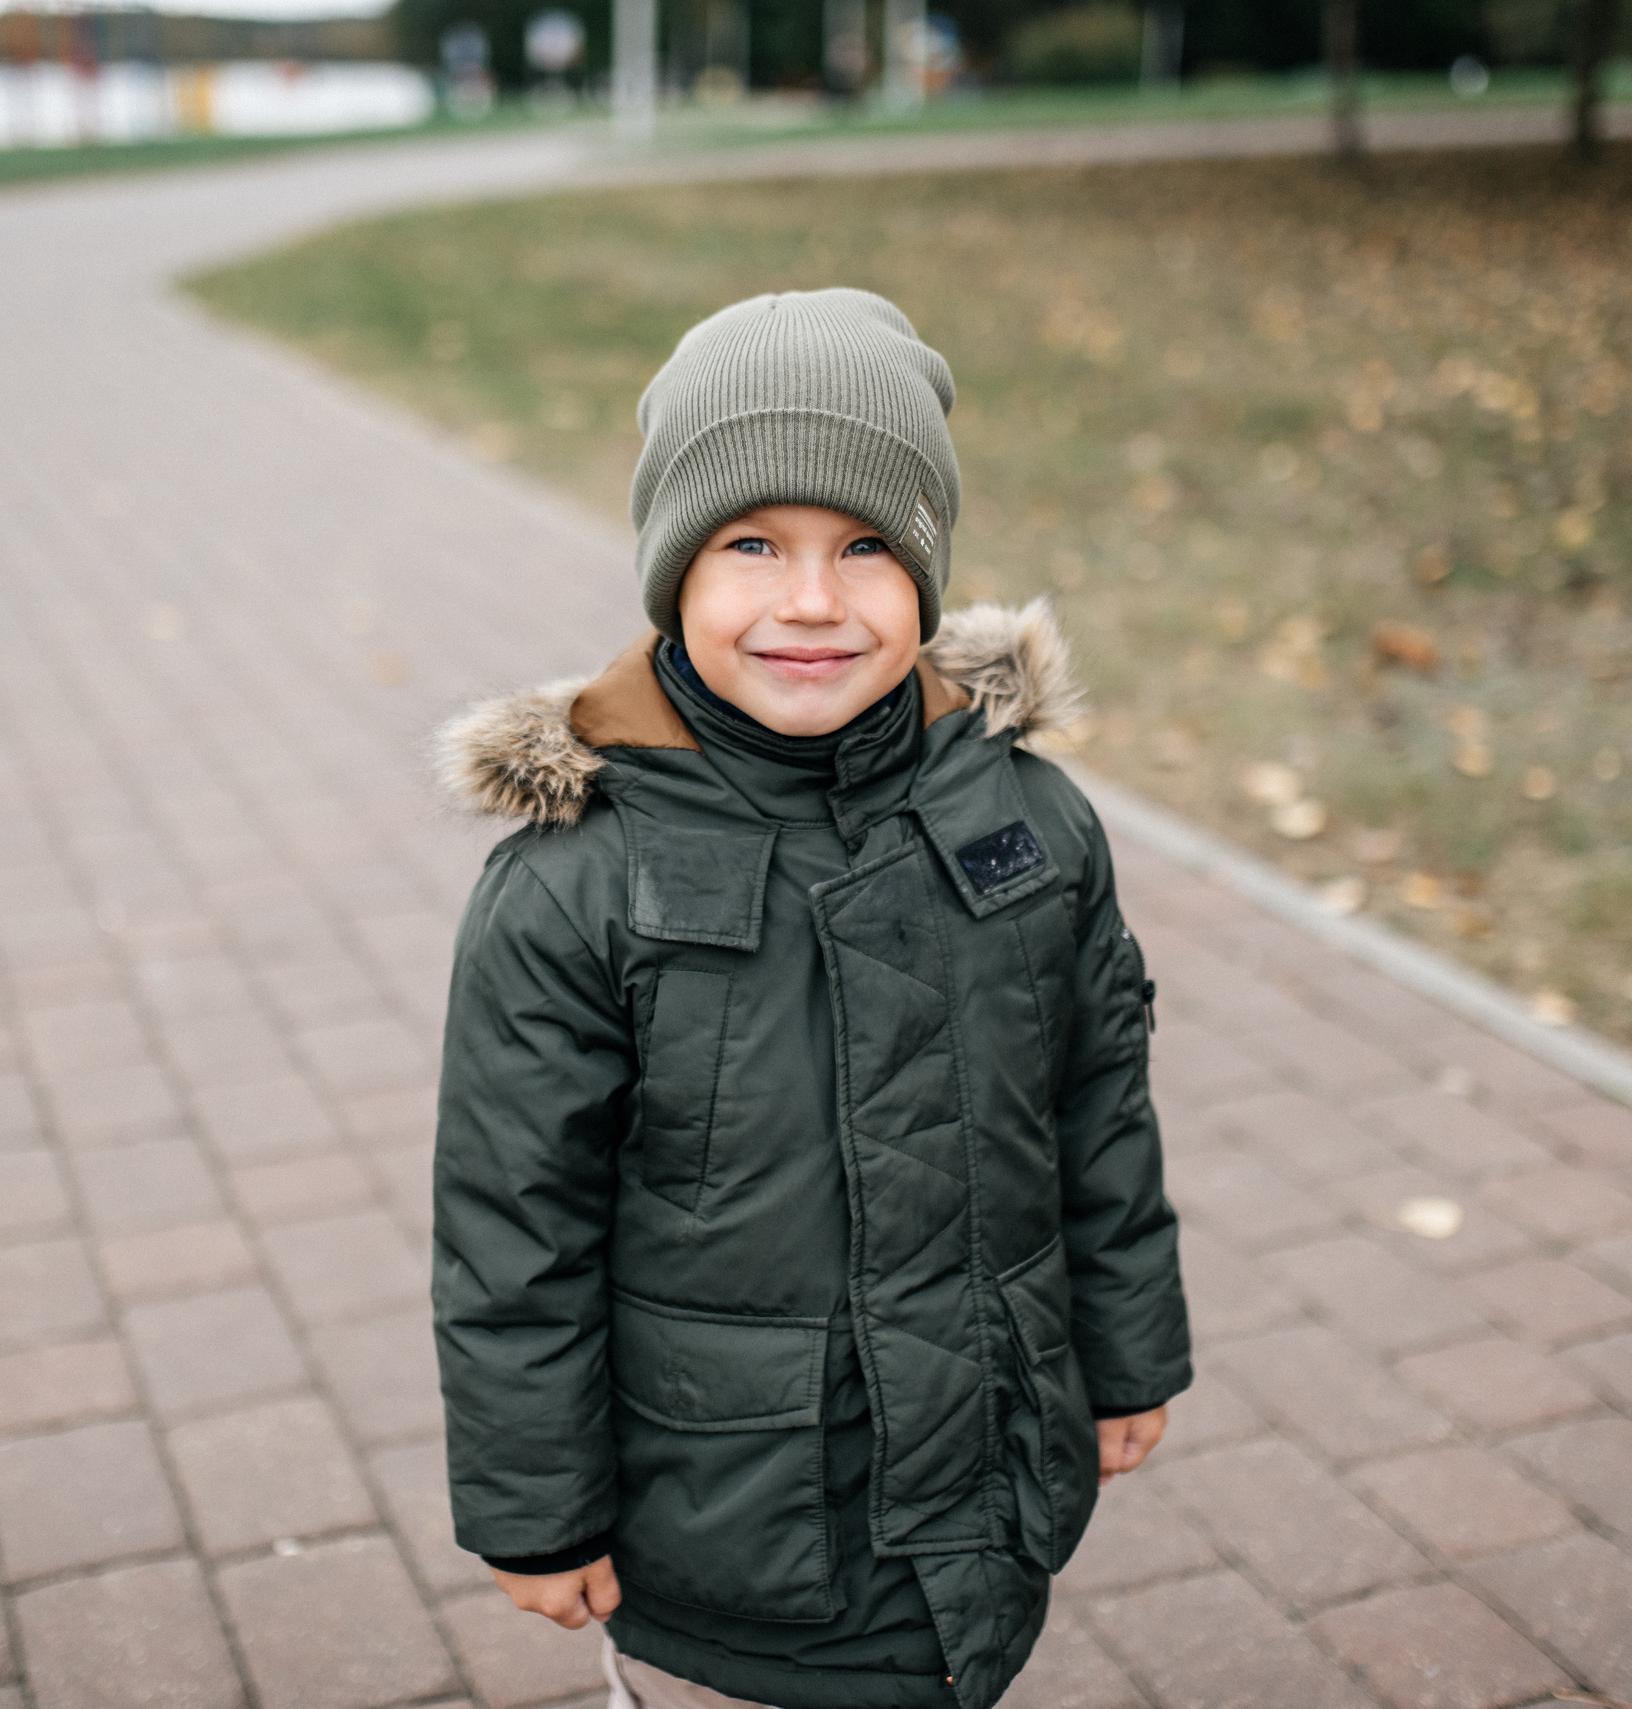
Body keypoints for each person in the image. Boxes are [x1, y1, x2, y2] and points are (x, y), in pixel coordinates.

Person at [431, 288, 1190, 1709]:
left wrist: (1130, 1343)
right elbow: (512, 1227)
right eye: (750, 545)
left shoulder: (1023, 819)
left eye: (864, 547)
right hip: (734, 1524)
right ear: (671, 572)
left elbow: (1098, 1103)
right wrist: (534, 1501)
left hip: (980, 1479)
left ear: (926, 570)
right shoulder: (576, 884)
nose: (811, 601)